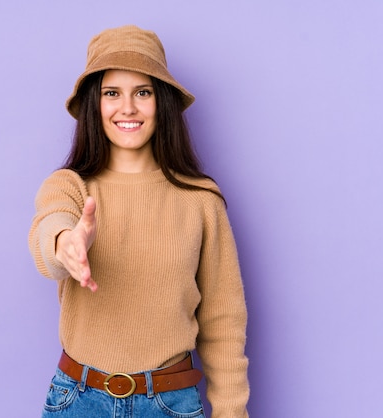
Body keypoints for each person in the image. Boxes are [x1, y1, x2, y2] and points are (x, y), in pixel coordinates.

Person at [28, 25, 249, 418]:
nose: (127, 107)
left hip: (171, 403)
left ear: (160, 102)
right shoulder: (70, 187)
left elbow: (223, 320)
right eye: (112, 93)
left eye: (142, 92)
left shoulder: (201, 201)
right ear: (95, 104)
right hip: (79, 401)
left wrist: (232, 411)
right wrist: (66, 244)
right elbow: (50, 230)